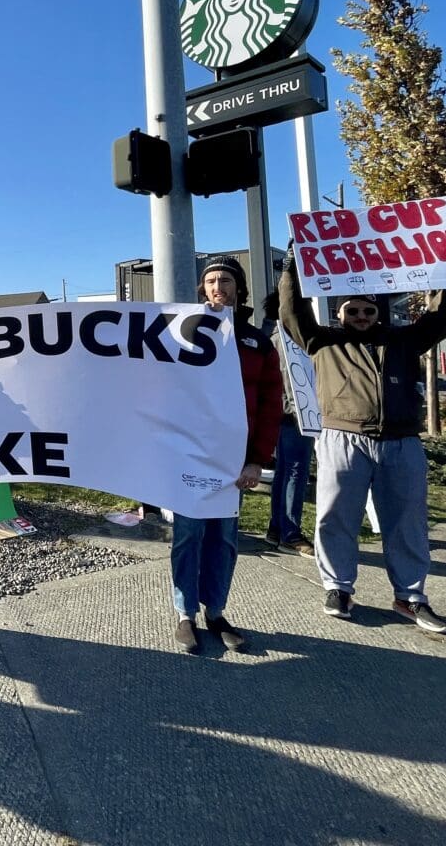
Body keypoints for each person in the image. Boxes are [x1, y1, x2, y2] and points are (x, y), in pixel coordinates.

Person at [279, 244, 446, 632]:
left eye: (368, 310)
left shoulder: (406, 340)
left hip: (401, 443)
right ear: (339, 312)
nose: (362, 317)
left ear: (378, 312)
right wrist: (290, 269)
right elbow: (291, 313)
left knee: (407, 521)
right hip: (342, 439)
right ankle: (338, 587)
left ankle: (410, 596)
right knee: (335, 517)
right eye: (353, 310)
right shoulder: (323, 342)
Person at [170, 257, 282, 653]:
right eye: (211, 280)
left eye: (226, 280)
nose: (219, 286)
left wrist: (257, 460)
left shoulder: (256, 341)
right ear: (203, 290)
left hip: (234, 462)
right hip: (191, 457)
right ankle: (185, 615)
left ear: (239, 288)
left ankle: (215, 612)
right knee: (187, 535)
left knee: (223, 539)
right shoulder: (180, 335)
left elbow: (271, 404)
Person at [262, 289, 315, 557]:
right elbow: (290, 379)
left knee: (285, 471)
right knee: (295, 471)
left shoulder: (274, 335)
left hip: (287, 413)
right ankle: (290, 533)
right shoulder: (287, 338)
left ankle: (277, 528)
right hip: (295, 414)